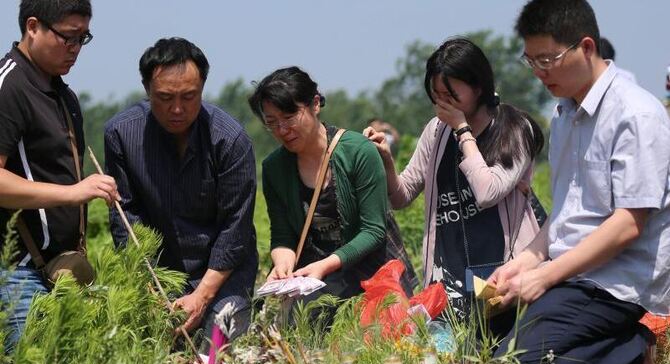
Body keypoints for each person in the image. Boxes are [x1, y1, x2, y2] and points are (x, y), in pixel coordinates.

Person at [490, 0, 670, 364]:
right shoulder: (564, 116)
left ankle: (629, 347)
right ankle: (624, 356)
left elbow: (628, 224)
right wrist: (524, 261)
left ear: (586, 47)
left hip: (613, 283)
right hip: (574, 275)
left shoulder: (635, 114)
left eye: (548, 60)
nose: (539, 72)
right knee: (482, 342)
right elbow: (566, 212)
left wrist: (545, 277)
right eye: (531, 61)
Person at [364, 38, 545, 335]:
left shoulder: (514, 128)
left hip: (505, 276)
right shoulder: (435, 132)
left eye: (451, 93)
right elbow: (402, 195)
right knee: (451, 360)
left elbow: (488, 192)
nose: (442, 103)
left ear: (478, 86)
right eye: (436, 95)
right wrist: (385, 160)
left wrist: (462, 130)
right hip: (449, 280)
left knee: (502, 355)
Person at [104, 38, 258, 345]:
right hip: (159, 270)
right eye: (164, 97)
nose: (177, 109)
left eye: (189, 96)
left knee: (218, 339)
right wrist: (150, 285)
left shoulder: (230, 140)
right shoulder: (122, 134)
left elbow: (235, 228)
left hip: (222, 272)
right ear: (147, 89)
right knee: (148, 345)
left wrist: (201, 295)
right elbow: (126, 219)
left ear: (202, 88)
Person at [0, 0, 119, 351]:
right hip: (16, 274)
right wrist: (74, 192)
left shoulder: (62, 93)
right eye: (68, 37)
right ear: (33, 27)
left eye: (84, 38)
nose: (76, 49)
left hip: (59, 272)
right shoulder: (10, 86)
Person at [249, 66, 417, 307]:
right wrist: (282, 264)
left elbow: (373, 231)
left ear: (315, 104)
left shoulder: (358, 152)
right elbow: (283, 236)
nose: (282, 130)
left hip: (372, 274)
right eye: (272, 122)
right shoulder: (274, 168)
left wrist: (325, 265)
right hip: (316, 278)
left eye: (289, 117)